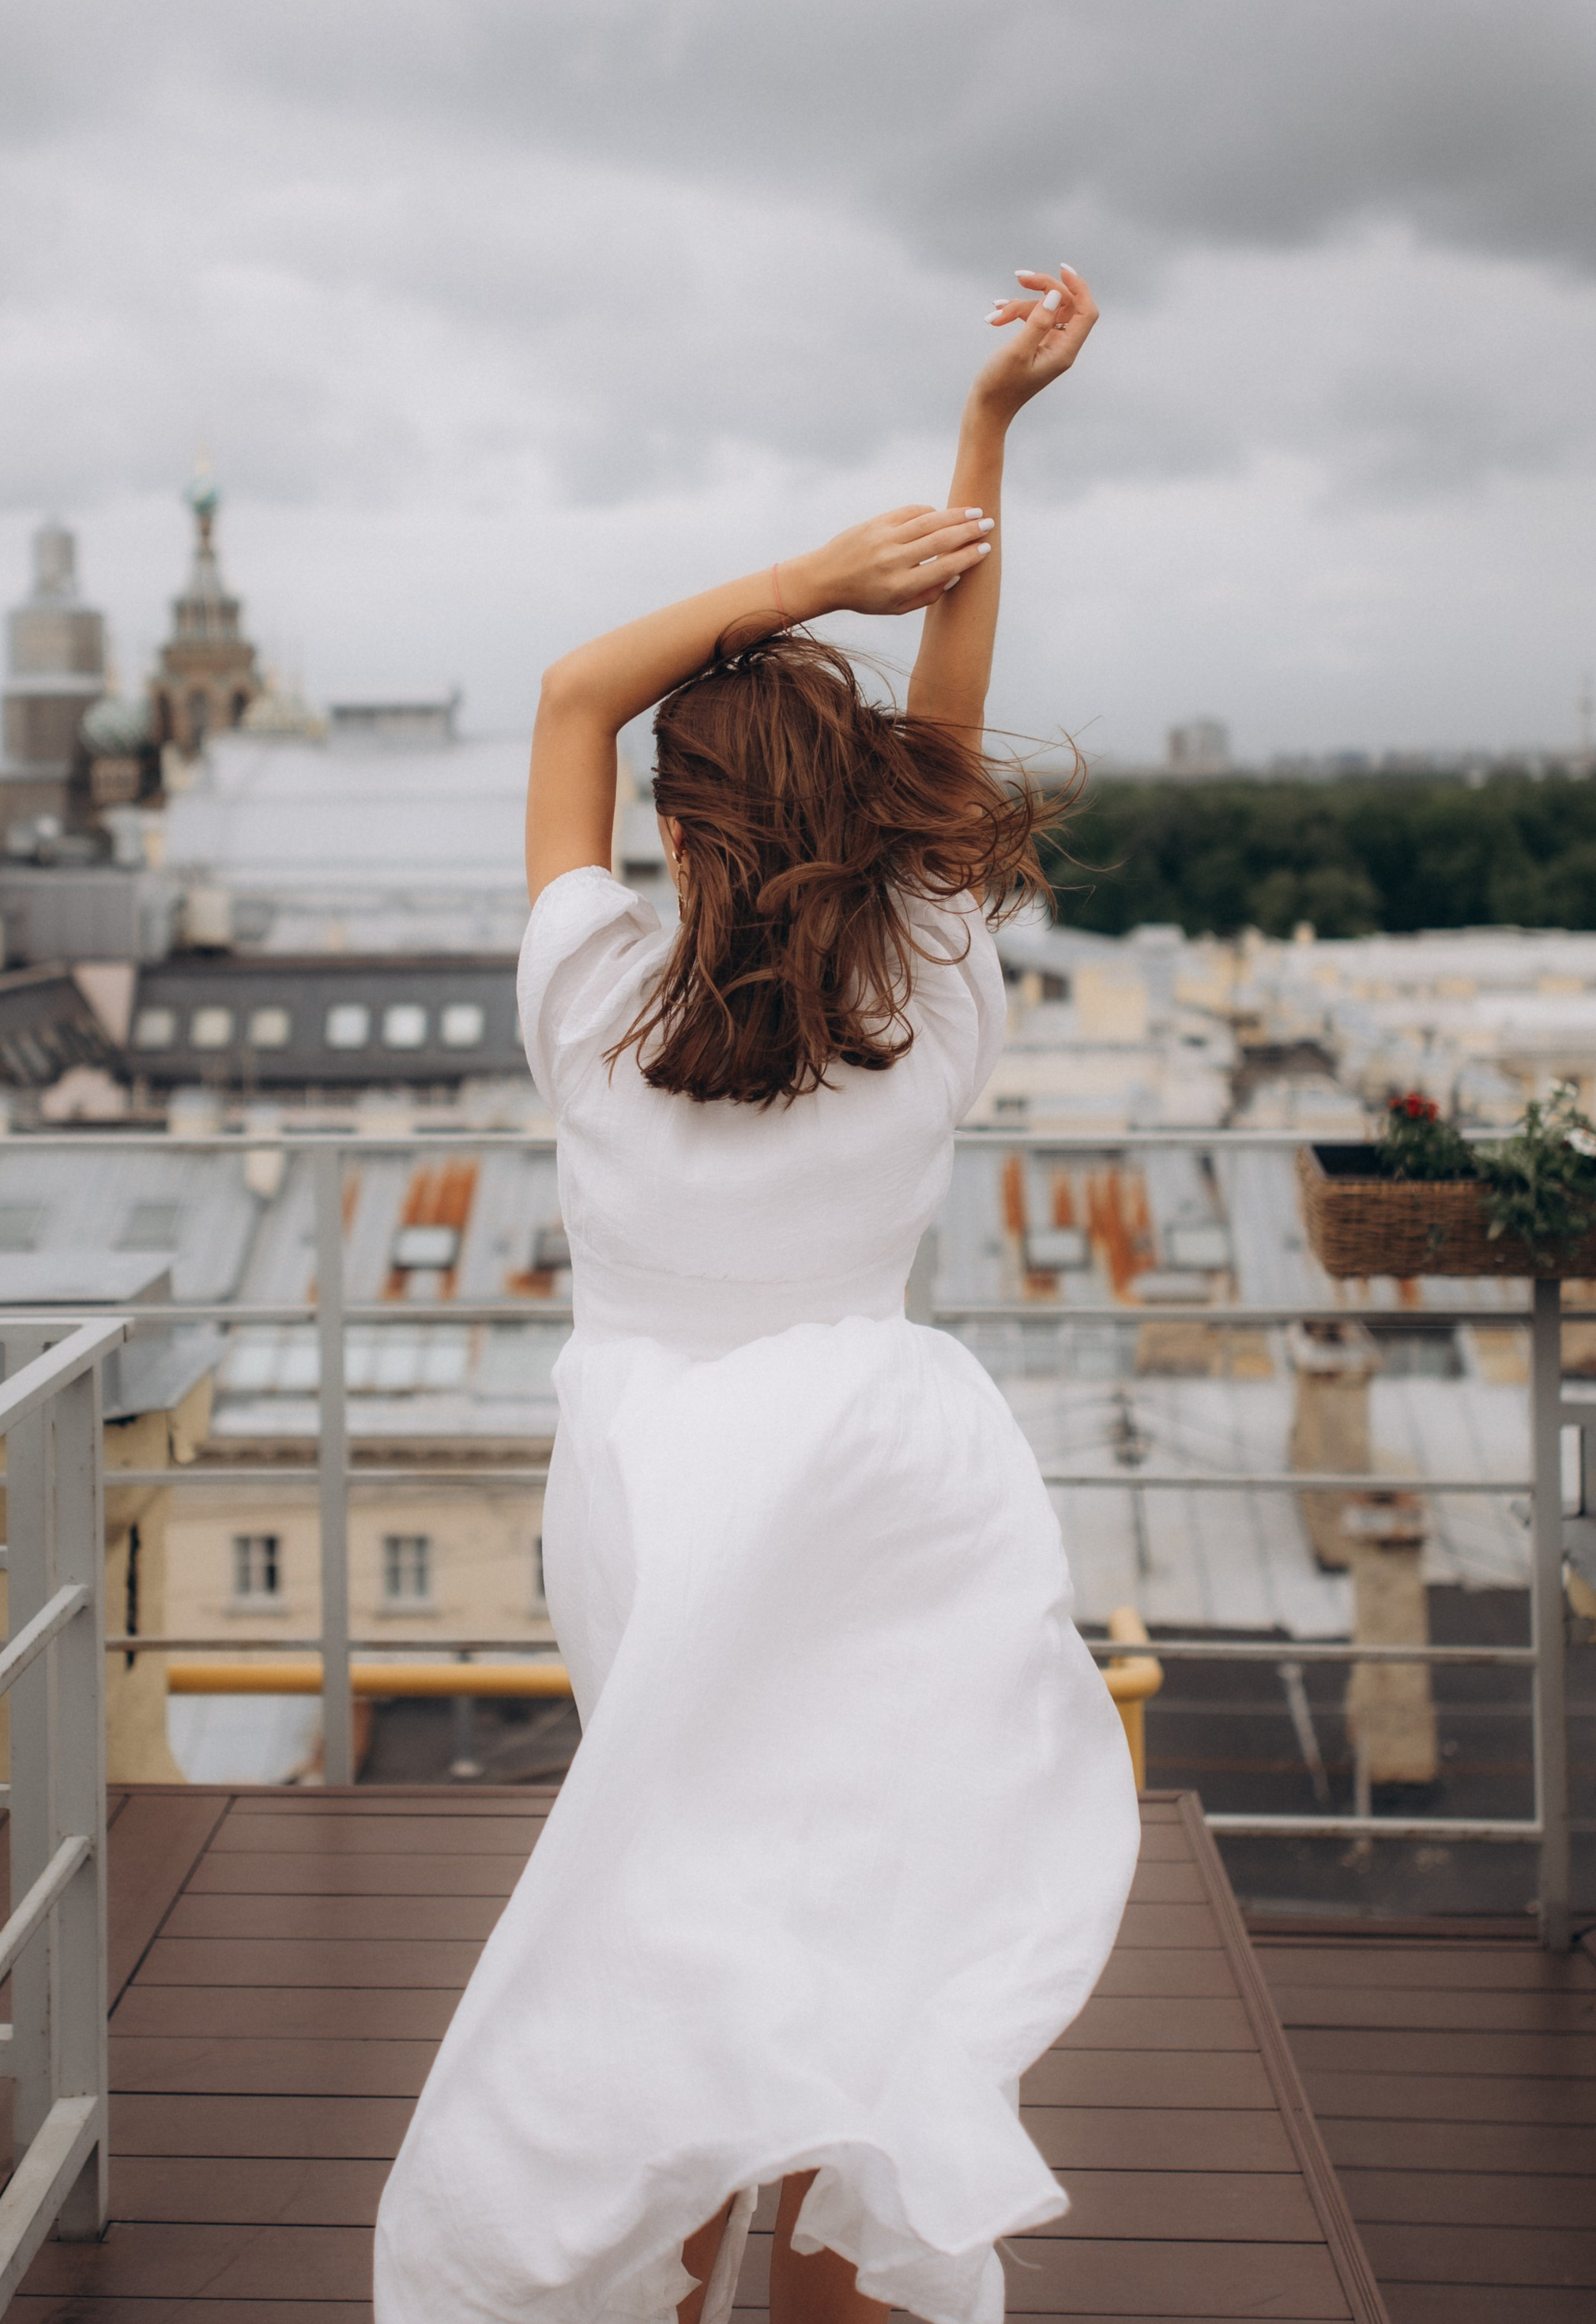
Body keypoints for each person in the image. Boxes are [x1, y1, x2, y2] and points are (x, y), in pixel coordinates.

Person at [374, 269, 1139, 2324]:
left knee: (690, 1880)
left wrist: (806, 570)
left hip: (645, 1481)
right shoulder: (933, 974)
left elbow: (565, 694)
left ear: (675, 821)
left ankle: (690, 2238)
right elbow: (954, 713)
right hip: (874, 1480)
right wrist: (981, 447)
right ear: (869, 796)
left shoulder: (593, 1000)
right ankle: (814, 2264)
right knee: (850, 1905)